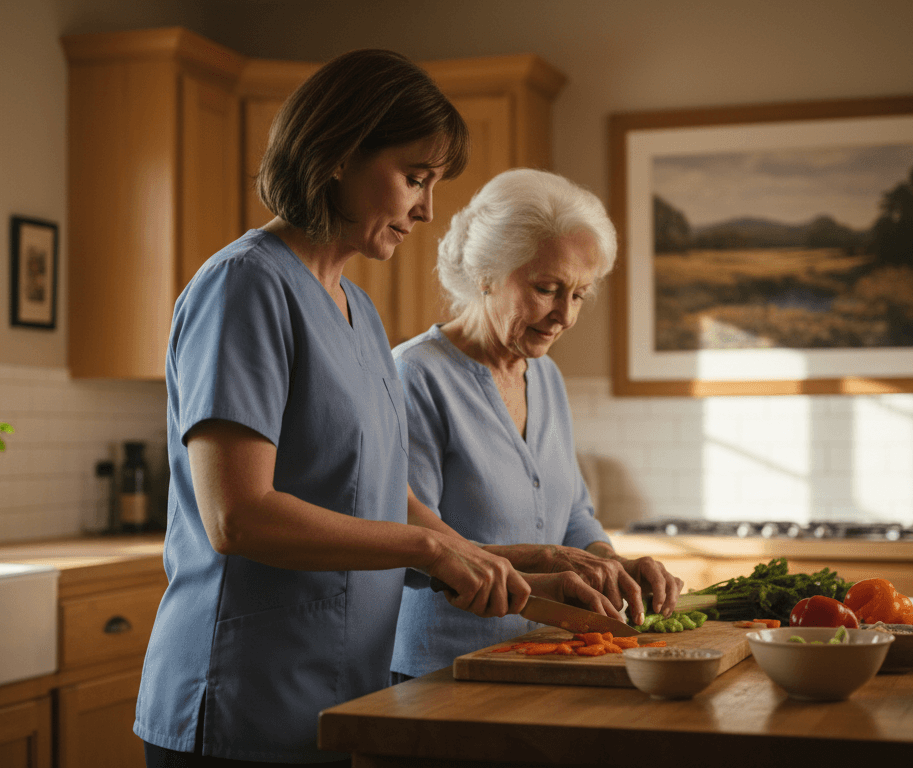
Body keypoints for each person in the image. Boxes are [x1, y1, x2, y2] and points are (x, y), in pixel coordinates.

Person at [133, 53, 619, 767]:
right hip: (241, 699)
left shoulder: (355, 308)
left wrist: (527, 567)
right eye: (414, 179)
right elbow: (238, 515)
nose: (425, 210)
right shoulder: (245, 286)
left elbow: (383, 503)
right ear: (337, 154)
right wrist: (433, 549)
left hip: (342, 700)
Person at [390, 168, 686, 680]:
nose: (564, 315)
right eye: (547, 288)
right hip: (443, 671)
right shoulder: (415, 376)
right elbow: (411, 544)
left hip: (538, 660)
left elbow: (573, 512)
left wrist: (611, 567)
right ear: (485, 273)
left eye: (579, 294)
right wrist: (556, 563)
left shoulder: (545, 376)